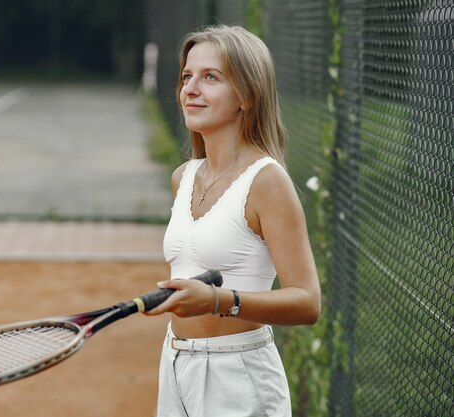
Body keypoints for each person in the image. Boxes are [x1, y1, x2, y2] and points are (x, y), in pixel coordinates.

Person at [144, 25, 321, 416]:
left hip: (238, 374)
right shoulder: (184, 177)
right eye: (187, 77)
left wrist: (219, 301)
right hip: (175, 361)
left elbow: (308, 302)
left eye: (210, 77)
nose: (190, 88)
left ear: (246, 95)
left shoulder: (267, 181)